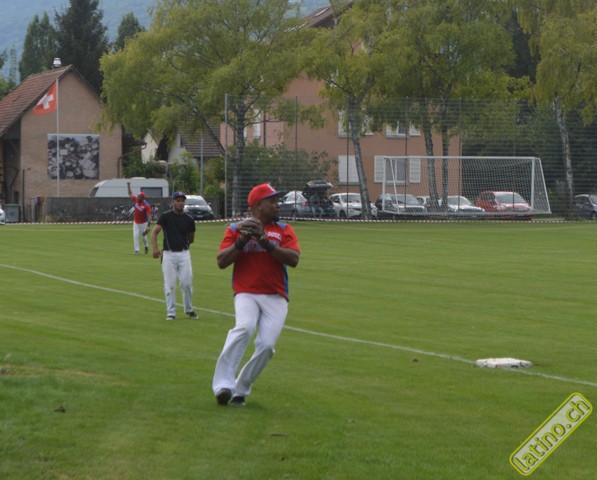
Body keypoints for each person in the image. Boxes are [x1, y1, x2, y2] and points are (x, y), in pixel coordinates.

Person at [212, 183, 300, 406]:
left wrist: (264, 242)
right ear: (258, 205)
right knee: (244, 327)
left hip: (276, 295)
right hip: (246, 292)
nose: (277, 205)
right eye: (272, 201)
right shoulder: (236, 229)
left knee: (267, 346)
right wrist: (242, 240)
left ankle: (241, 388)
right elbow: (221, 261)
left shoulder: (283, 229)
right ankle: (223, 385)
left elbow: (293, 259)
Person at [150, 191, 199, 321]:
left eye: (182, 201)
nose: (180, 203)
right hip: (168, 254)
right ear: (173, 202)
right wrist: (155, 248)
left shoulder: (189, 219)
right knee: (170, 284)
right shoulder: (166, 217)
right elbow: (154, 232)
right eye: (178, 200)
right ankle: (171, 312)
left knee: (187, 283)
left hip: (184, 253)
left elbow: (191, 238)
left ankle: (189, 309)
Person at [128, 182, 152, 255]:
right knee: (135, 236)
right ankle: (137, 250)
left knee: (143, 237)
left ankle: (146, 246)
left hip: (143, 223)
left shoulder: (146, 205)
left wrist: (148, 226)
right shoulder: (136, 199)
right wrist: (128, 185)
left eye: (140, 197)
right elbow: (130, 194)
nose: (138, 198)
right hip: (136, 222)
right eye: (138, 196)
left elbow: (149, 216)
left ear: (143, 198)